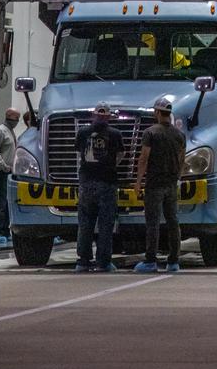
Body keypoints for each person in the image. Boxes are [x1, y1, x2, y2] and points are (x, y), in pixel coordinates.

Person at [133, 96, 186, 274]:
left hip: (154, 184)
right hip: (171, 184)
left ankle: (150, 260)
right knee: (173, 221)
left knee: (153, 222)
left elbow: (144, 158)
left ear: (156, 112)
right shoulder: (179, 135)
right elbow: (181, 160)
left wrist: (138, 182)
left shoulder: (150, 133)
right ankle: (173, 260)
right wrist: (177, 177)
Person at [74, 102, 124, 273]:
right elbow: (120, 155)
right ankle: (103, 262)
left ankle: (83, 261)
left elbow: (80, 154)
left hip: (86, 182)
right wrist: (109, 166)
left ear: (94, 114)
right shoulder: (115, 134)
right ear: (109, 116)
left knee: (85, 222)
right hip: (107, 182)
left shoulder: (83, 132)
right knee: (105, 224)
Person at [0, 107, 21, 244]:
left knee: (8, 202)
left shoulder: (10, 131)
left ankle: (6, 229)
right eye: (15, 118)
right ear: (9, 116)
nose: (17, 121)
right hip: (2, 172)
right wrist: (3, 165)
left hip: (10, 172)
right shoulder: (1, 130)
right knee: (2, 201)